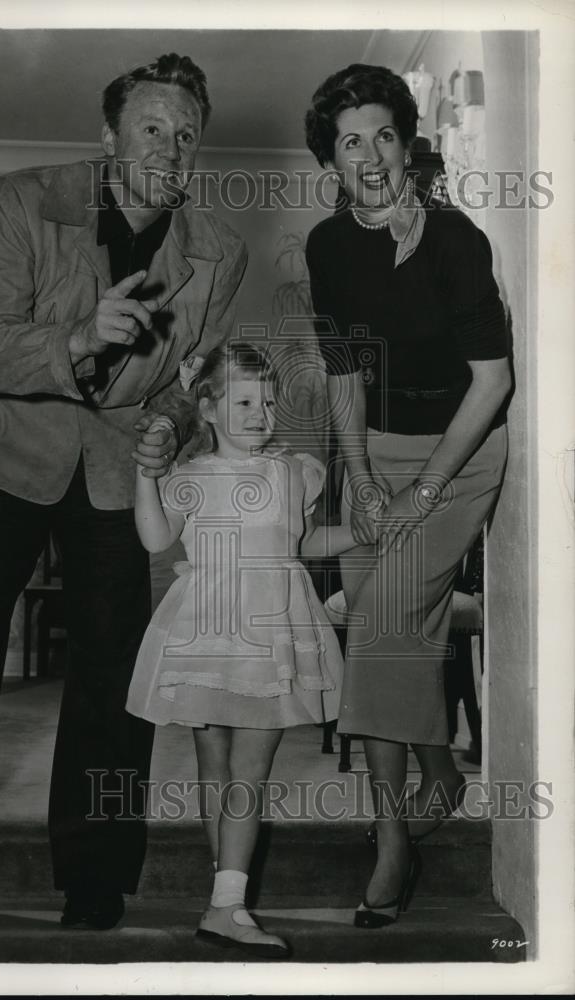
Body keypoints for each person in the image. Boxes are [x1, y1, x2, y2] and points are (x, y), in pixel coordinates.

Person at [0, 53, 248, 943]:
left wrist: (171, 430)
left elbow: (193, 384)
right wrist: (78, 336)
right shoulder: (22, 197)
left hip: (115, 475)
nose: (170, 146)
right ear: (107, 135)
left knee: (113, 685)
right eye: (151, 127)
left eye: (186, 133)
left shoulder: (219, 251)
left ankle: (96, 881)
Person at [303, 64, 511, 928]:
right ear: (333, 160)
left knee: (379, 630)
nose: (371, 155)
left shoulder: (457, 241)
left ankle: (390, 842)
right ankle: (435, 777)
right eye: (351, 141)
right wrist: (356, 479)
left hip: (457, 458)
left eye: (383, 134)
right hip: (376, 456)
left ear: (408, 143)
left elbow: (491, 382)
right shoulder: (326, 247)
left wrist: (420, 493)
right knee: (398, 632)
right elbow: (345, 373)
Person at [126, 342, 356, 958]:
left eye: (270, 402)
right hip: (207, 630)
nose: (262, 413)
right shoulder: (189, 477)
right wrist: (145, 473)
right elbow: (154, 536)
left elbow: (305, 543)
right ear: (207, 407)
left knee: (249, 775)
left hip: (270, 630)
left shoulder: (292, 471)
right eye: (246, 401)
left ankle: (227, 902)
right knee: (214, 769)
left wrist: (365, 532)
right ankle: (225, 894)